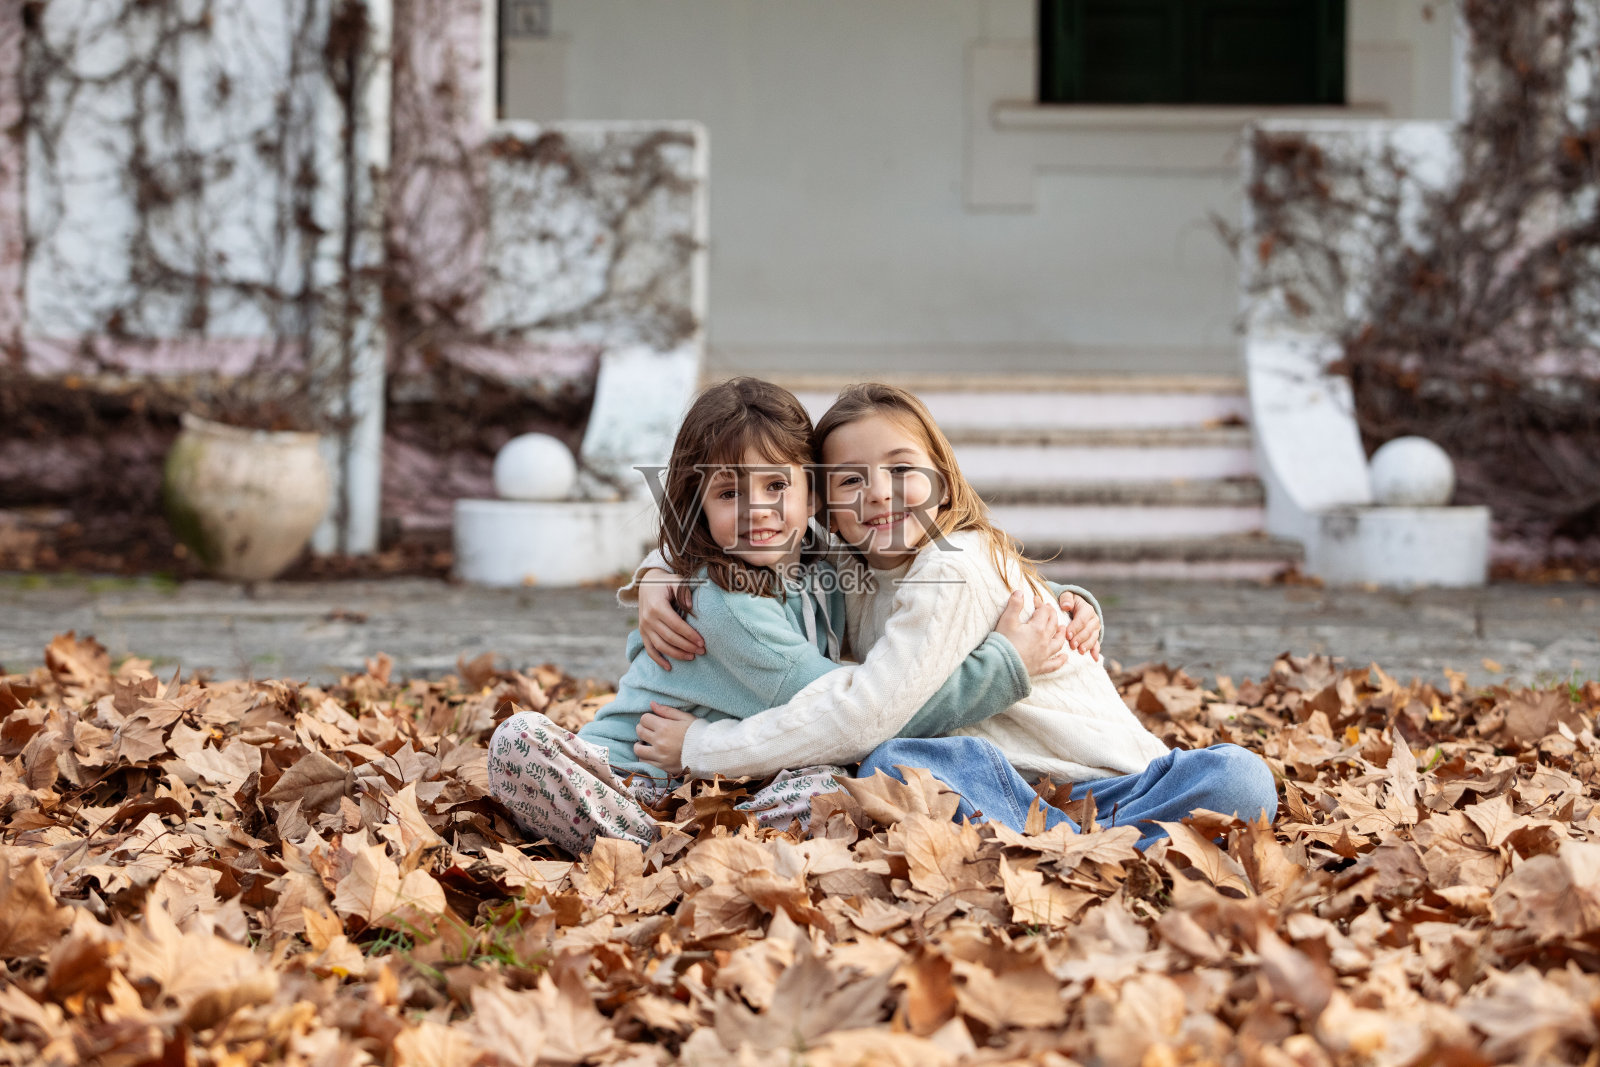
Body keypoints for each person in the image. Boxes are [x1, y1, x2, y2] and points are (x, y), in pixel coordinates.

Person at [630, 383, 1278, 847]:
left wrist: (703, 746)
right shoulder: (846, 565)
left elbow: (863, 713)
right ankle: (1086, 843)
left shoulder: (956, 561)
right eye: (850, 480)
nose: (878, 492)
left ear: (941, 475)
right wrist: (666, 572)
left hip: (1098, 781)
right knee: (893, 765)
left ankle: (1083, 840)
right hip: (990, 777)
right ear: (824, 502)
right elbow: (756, 544)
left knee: (1239, 778)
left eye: (900, 469)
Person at [485, 378, 1072, 855]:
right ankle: (648, 846)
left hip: (739, 777)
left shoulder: (823, 557)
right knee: (518, 739)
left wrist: (1067, 602)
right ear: (697, 509)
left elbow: (909, 563)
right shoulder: (726, 604)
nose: (758, 511)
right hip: (628, 775)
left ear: (813, 495)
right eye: (728, 494)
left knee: (833, 786)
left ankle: (707, 841)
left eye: (775, 485)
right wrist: (1004, 667)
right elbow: (855, 712)